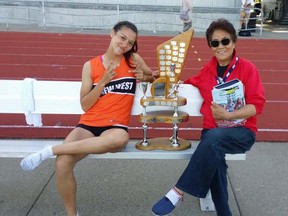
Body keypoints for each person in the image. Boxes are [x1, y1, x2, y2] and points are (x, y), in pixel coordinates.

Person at [20, 20, 157, 216]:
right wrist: (102, 82)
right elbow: (85, 104)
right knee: (62, 163)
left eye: (130, 42)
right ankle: (72, 214)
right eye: (122, 38)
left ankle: (49, 150)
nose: (124, 44)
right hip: (88, 125)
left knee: (120, 139)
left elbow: (151, 77)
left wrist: (147, 78)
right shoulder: (90, 66)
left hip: (114, 127)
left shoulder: (133, 59)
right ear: (112, 34)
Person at [152, 18, 265, 216]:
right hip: (213, 133)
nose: (220, 46)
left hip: (241, 133)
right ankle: (224, 213)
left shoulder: (247, 69)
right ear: (210, 46)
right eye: (215, 42)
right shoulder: (207, 71)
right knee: (216, 159)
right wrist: (159, 79)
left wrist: (229, 114)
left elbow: (256, 106)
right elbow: (182, 85)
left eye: (225, 41)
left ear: (234, 42)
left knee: (213, 140)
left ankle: (178, 191)